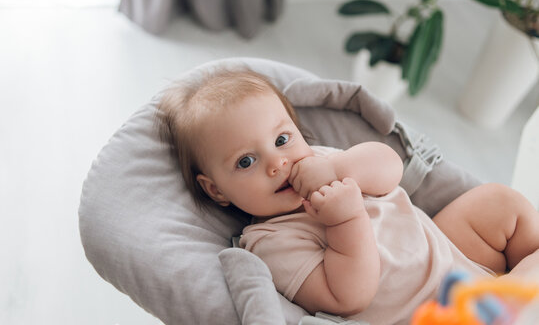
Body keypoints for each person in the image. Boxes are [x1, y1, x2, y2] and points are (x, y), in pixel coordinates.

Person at [157, 68, 539, 324]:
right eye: (246, 161)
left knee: (498, 202)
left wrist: (342, 170)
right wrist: (345, 220)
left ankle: (516, 284)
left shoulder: (322, 160)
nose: (278, 163)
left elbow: (392, 168)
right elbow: (349, 297)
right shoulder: (270, 242)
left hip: (451, 249)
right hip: (429, 311)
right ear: (216, 190)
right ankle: (515, 293)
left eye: (281, 139)